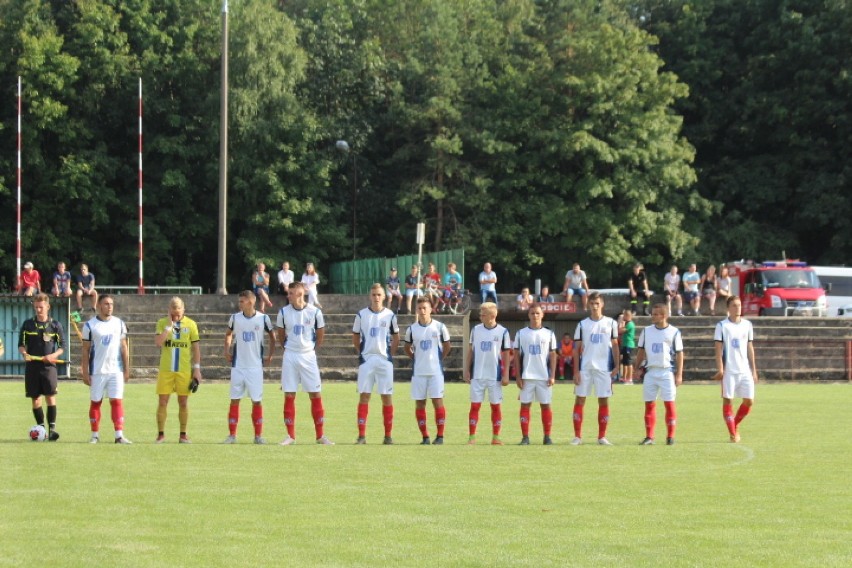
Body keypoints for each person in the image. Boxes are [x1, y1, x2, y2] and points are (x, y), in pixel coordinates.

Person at [276, 282, 333, 445]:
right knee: (289, 394)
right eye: (289, 293)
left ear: (300, 294)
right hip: (290, 356)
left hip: (308, 356)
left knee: (315, 394)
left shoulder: (315, 312)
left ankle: (320, 436)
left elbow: (320, 334)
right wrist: (289, 348)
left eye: (291, 293)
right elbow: (280, 335)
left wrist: (311, 348)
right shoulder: (283, 312)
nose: (289, 296)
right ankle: (290, 436)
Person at [224, 290, 276, 444]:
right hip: (238, 366)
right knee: (234, 400)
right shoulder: (235, 318)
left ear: (251, 302)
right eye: (239, 301)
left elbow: (272, 338)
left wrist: (270, 355)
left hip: (255, 367)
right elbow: (228, 334)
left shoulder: (263, 318)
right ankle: (232, 435)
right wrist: (226, 350)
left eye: (242, 301)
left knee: (257, 401)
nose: (239, 304)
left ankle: (258, 436)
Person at [353, 283, 400, 444]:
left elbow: (396, 338)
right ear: (370, 296)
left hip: (384, 360)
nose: (376, 297)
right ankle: (361, 436)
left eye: (379, 295)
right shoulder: (361, 315)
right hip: (367, 360)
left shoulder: (390, 315)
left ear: (384, 296)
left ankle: (388, 436)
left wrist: (389, 355)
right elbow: (355, 336)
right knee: (364, 396)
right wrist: (363, 352)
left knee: (386, 397)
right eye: (374, 295)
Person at [81, 295, 131, 444]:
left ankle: (119, 435)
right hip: (97, 371)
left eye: (111, 304)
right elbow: (85, 350)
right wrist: (84, 371)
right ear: (99, 306)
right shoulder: (90, 326)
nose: (110, 306)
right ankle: (95, 435)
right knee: (96, 402)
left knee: (117, 401)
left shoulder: (119, 324)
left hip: (116, 370)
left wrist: (127, 369)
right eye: (106, 304)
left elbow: (124, 347)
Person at [571, 292, 619, 446]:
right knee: (580, 399)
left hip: (603, 369)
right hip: (585, 368)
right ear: (588, 305)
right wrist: (576, 371)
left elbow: (615, 345)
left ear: (602, 304)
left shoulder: (611, 323)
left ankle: (602, 437)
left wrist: (617, 365)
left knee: (603, 401)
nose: (594, 306)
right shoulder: (582, 324)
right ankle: (577, 436)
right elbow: (576, 349)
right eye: (592, 303)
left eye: (597, 303)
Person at [18, 294, 66, 441]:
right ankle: (41, 429)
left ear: (48, 307)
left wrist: (54, 355)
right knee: (36, 399)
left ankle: (52, 430)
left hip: (49, 367)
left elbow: (62, 346)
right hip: (32, 367)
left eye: (41, 307)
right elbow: (21, 345)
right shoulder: (27, 324)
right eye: (36, 307)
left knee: (50, 397)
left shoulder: (55, 325)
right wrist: (24, 353)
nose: (39, 310)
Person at [634, 303, 684, 445]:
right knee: (649, 404)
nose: (653, 316)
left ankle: (670, 436)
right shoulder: (646, 331)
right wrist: (636, 368)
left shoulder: (674, 332)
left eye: (656, 314)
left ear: (664, 316)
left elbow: (680, 354)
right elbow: (641, 352)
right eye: (652, 313)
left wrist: (679, 374)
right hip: (651, 371)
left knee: (669, 403)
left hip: (667, 371)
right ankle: (649, 436)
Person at [154, 296, 202, 443]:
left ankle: (183, 434)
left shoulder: (191, 324)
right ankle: (161, 434)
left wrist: (197, 369)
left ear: (183, 309)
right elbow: (158, 343)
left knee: (183, 402)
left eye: (178, 309)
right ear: (169, 310)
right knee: (163, 401)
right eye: (173, 309)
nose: (176, 312)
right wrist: (169, 326)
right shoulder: (162, 323)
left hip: (184, 370)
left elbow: (196, 348)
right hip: (166, 370)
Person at [404, 297, 452, 444]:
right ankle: (425, 437)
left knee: (438, 402)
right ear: (416, 310)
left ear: (431, 309)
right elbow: (407, 348)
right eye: (419, 308)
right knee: (420, 404)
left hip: (435, 372)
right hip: (418, 373)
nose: (422, 311)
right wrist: (415, 358)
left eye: (425, 308)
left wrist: (438, 359)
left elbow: (447, 346)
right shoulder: (411, 329)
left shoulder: (440, 327)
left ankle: (440, 436)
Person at [463, 301, 510, 445]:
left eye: (483, 315)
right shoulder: (476, 330)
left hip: (494, 376)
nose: (480, 317)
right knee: (475, 406)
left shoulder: (503, 332)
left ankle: (496, 437)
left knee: (495, 406)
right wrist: (466, 369)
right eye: (480, 314)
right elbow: (470, 351)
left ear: (492, 316)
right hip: (477, 375)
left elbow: (507, 353)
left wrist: (506, 373)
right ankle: (472, 437)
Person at [713, 296, 758, 443]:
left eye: (739, 305)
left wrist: (754, 370)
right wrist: (720, 368)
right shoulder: (722, 326)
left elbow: (750, 348)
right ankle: (733, 433)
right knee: (728, 401)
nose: (737, 308)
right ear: (728, 308)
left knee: (749, 401)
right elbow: (718, 349)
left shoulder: (747, 325)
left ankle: (735, 423)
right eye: (734, 305)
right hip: (729, 370)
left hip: (744, 370)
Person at [514, 304, 557, 445]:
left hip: (544, 377)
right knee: (525, 405)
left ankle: (547, 436)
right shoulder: (521, 334)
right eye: (532, 313)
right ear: (528, 315)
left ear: (542, 315)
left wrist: (552, 375)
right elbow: (516, 356)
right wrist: (518, 376)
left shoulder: (549, 334)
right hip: (527, 377)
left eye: (538, 313)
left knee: (546, 406)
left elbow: (553, 355)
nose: (535, 316)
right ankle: (525, 437)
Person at [619, 309, 636, 385]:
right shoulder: (627, 323)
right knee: (625, 362)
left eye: (624, 315)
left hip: (629, 345)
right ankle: (625, 378)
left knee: (629, 362)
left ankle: (630, 379)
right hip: (625, 344)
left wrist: (621, 324)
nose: (623, 317)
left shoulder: (630, 324)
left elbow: (620, 331)